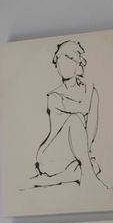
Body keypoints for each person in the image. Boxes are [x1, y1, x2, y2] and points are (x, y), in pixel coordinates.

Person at [30, 39, 107, 189]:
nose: (62, 65)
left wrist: (85, 153)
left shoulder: (90, 92)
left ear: (78, 64)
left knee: (94, 165)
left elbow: (91, 126)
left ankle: (51, 180)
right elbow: (83, 109)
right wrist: (90, 87)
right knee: (75, 119)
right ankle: (87, 175)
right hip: (51, 154)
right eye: (59, 61)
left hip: (75, 155)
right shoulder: (54, 96)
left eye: (68, 60)